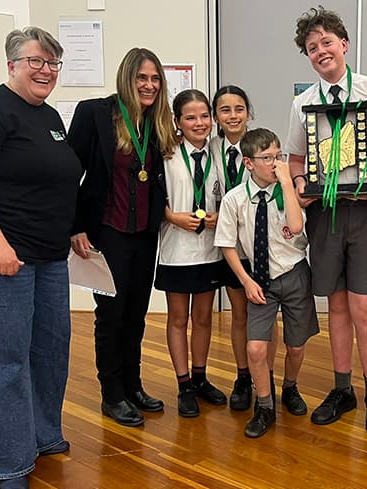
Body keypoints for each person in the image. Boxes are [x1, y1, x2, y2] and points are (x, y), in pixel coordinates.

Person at [0, 27, 80, 489]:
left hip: (50, 257)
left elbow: (56, 179)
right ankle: (9, 463)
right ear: (11, 65)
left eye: (53, 63)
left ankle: (43, 434)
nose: (46, 71)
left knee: (50, 351)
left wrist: (73, 230)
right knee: (5, 362)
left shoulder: (50, 116)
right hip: (1, 259)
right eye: (36, 61)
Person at [287, 5, 367, 436]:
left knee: (364, 306)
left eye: (327, 42)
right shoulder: (302, 103)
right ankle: (342, 388)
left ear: (344, 44)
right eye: (312, 48)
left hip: (366, 212)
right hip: (325, 214)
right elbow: (296, 159)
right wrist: (300, 183)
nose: (321, 51)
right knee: (335, 305)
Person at [67, 47, 176, 428]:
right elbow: (70, 173)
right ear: (127, 78)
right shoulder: (95, 113)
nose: (149, 85)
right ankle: (112, 394)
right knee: (111, 315)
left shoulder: (158, 122)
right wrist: (75, 226)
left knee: (136, 314)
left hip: (144, 233)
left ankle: (133, 385)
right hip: (107, 231)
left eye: (155, 79)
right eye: (141, 78)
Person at [215, 128, 320, 438]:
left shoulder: (287, 191)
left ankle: (290, 386)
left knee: (296, 346)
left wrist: (287, 183)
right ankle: (264, 405)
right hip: (259, 279)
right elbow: (227, 244)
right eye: (267, 158)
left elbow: (296, 226)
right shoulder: (235, 199)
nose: (275, 163)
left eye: (278, 155)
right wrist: (246, 281)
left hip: (294, 274)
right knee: (256, 348)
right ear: (248, 163)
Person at [156, 89, 227, 417]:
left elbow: (226, 194)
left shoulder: (217, 152)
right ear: (178, 121)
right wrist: (171, 216)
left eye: (204, 116)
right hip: (177, 249)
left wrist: (220, 216)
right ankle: (183, 384)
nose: (199, 123)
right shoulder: (166, 154)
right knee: (178, 318)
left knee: (203, 317)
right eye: (190, 117)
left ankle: (200, 378)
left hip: (209, 248)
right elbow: (152, 197)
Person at [208, 86, 276, 411]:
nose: (233, 116)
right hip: (233, 245)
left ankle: (268, 377)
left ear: (249, 112)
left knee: (266, 314)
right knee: (240, 313)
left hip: (263, 244)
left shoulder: (262, 148)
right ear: (215, 116)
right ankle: (243, 376)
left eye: (239, 109)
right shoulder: (211, 148)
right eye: (225, 110)